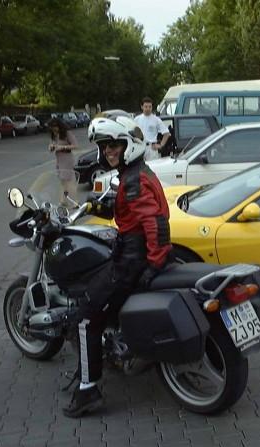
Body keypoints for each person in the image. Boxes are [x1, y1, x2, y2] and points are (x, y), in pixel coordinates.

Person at [62, 115, 172, 418]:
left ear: (128, 146)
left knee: (85, 318)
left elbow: (154, 223)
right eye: (105, 147)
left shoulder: (133, 179)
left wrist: (154, 262)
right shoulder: (132, 174)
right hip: (131, 254)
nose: (109, 152)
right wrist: (99, 205)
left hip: (130, 261)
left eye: (114, 146)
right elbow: (131, 210)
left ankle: (88, 390)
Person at [48, 117, 78, 204]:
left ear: (59, 126)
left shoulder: (67, 133)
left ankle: (75, 201)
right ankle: (64, 201)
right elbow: (51, 145)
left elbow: (75, 145)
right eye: (51, 128)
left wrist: (63, 147)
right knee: (63, 181)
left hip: (67, 159)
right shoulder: (54, 135)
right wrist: (51, 147)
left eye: (54, 127)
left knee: (68, 181)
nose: (53, 129)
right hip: (59, 160)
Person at [134, 96, 170, 161]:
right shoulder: (137, 119)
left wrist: (160, 145)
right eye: (146, 106)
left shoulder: (156, 120)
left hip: (151, 149)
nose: (148, 108)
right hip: (139, 148)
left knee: (152, 168)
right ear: (142, 107)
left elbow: (166, 134)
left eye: (150, 107)